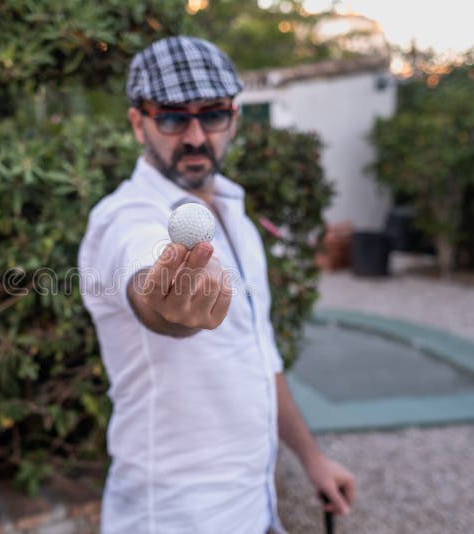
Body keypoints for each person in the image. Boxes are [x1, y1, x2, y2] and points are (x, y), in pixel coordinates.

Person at [77, 36, 355, 533]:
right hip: (174, 516)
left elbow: (259, 358)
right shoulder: (123, 217)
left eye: (213, 115)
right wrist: (169, 307)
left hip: (254, 503)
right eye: (171, 117)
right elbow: (148, 286)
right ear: (138, 123)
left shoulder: (234, 215)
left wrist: (312, 458)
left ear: (235, 118)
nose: (196, 136)